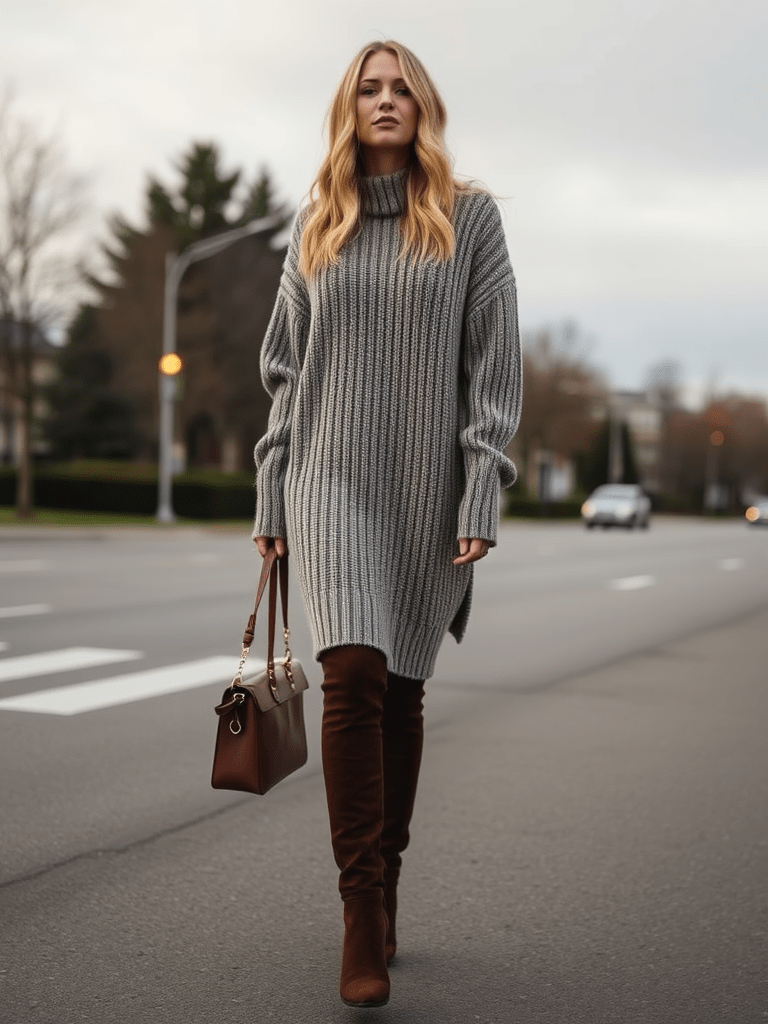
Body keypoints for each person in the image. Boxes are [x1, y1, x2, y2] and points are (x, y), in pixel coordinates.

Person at [253, 39, 522, 1009]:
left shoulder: (469, 218)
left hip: (425, 485)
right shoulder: (315, 220)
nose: (385, 99)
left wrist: (482, 488)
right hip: (329, 479)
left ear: (425, 106)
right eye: (368, 88)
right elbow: (285, 372)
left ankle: (390, 879)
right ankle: (359, 910)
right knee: (353, 669)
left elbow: (494, 368)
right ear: (347, 108)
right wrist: (271, 491)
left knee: (401, 684)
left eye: (401, 86)